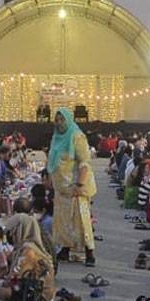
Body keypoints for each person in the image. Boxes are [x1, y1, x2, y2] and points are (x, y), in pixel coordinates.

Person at [48, 108, 98, 267]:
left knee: (81, 221)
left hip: (76, 187)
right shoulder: (56, 137)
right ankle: (65, 248)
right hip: (62, 189)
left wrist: (79, 184)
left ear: (69, 120)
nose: (58, 123)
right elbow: (54, 162)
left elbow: (84, 163)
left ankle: (90, 253)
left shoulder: (77, 136)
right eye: (56, 120)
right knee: (63, 221)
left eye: (62, 120)